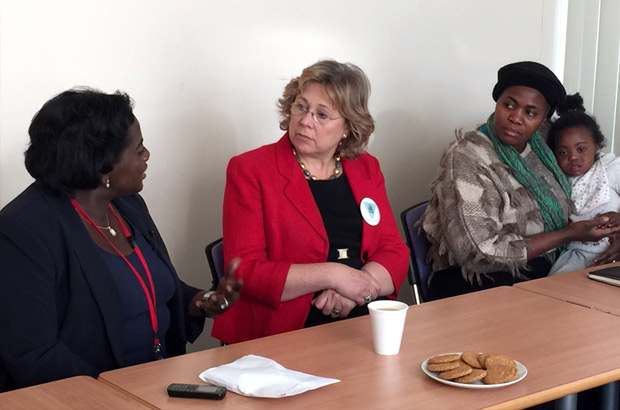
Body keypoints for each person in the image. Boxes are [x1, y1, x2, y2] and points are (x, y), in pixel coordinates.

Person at [0, 88, 243, 392]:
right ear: (103, 165)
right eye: (139, 149)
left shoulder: (127, 205)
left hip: (158, 385)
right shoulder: (23, 231)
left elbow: (148, 286)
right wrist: (116, 393)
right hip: (87, 398)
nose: (147, 155)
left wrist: (203, 302)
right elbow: (33, 354)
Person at [213, 59, 409, 344]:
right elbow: (245, 271)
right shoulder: (250, 170)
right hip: (281, 334)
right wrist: (333, 275)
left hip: (360, 321)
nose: (305, 121)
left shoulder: (366, 167)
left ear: (347, 127)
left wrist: (355, 289)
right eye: (301, 106)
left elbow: (394, 250)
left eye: (322, 114)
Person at [420, 61, 620, 300]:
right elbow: (476, 252)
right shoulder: (467, 157)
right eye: (509, 105)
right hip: (483, 285)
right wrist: (567, 235)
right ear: (498, 102)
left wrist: (614, 228)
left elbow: (598, 170)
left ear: (543, 119)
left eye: (530, 113)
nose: (515, 118)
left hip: (550, 267)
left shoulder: (545, 144)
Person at [547, 93, 620, 275]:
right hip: (577, 254)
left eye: (581, 149)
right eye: (563, 152)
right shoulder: (557, 180)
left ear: (596, 146)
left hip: (614, 250)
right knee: (553, 290)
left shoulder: (609, 167)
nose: (573, 157)